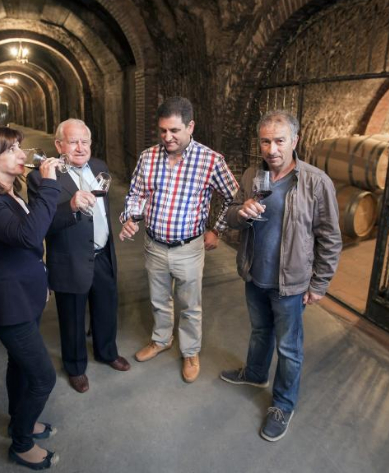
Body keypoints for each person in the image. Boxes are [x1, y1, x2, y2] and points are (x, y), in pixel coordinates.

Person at [220, 110, 342, 442]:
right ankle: (256, 374)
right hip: (254, 275)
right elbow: (229, 215)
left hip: (291, 284)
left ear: (295, 141)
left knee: (289, 348)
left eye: (279, 140)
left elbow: (330, 238)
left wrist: (319, 284)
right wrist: (241, 212)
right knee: (260, 331)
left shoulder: (315, 182)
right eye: (265, 141)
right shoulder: (250, 175)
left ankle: (283, 404)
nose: (272, 149)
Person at [0, 127, 61, 469]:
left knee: (19, 366)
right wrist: (48, 184)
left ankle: (21, 420)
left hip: (26, 293)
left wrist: (41, 279)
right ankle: (20, 443)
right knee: (43, 376)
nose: (23, 155)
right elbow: (30, 233)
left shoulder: (6, 192)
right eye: (14, 149)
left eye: (20, 147)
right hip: (10, 304)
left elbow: (31, 246)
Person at [119, 96, 239, 383]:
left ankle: (190, 350)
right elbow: (136, 193)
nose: (167, 137)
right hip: (154, 244)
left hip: (189, 247)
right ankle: (161, 340)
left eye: (174, 131)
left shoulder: (211, 161)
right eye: (162, 131)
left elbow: (234, 197)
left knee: (190, 304)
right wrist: (131, 217)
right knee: (159, 299)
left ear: (190, 126)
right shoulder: (148, 157)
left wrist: (217, 229)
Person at [27, 118, 130, 395]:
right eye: (73, 142)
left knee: (107, 307)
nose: (80, 147)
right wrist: (71, 206)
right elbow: (42, 224)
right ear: (59, 144)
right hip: (70, 258)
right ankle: (75, 367)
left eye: (85, 141)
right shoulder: (41, 177)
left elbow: (103, 209)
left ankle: (107, 352)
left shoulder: (99, 167)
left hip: (102, 253)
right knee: (72, 317)